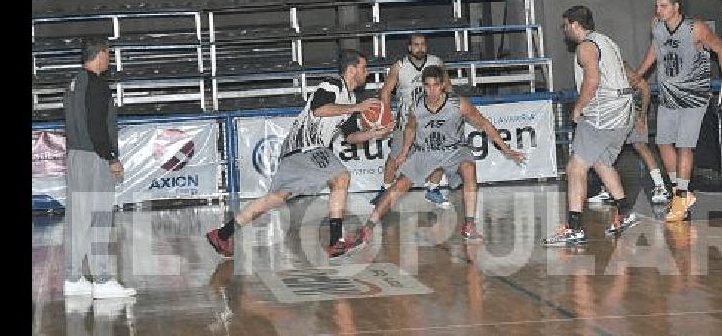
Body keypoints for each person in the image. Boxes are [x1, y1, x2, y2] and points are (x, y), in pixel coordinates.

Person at [206, 50, 395, 259]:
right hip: (309, 146)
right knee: (342, 177)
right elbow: (319, 110)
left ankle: (222, 234)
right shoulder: (332, 85)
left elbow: (350, 137)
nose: (366, 73)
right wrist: (358, 107)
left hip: (294, 152)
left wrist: (375, 133)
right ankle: (335, 241)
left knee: (275, 199)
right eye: (364, 68)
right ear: (351, 70)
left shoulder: (349, 100)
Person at [347, 65, 525, 249]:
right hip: (427, 151)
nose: (431, 90)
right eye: (427, 86)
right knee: (400, 185)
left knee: (469, 169)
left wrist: (506, 149)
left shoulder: (458, 103)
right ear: (423, 86)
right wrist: (404, 153)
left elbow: (485, 125)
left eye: (436, 85)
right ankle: (368, 228)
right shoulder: (416, 105)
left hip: (455, 150)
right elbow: (410, 128)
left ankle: (469, 225)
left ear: (442, 86)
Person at [632, 0, 722, 222]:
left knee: (684, 146)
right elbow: (655, 49)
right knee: (663, 143)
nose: (658, 10)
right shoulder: (657, 26)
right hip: (669, 94)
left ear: (676, 7)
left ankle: (680, 196)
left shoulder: (695, 28)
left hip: (694, 96)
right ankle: (683, 192)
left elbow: (720, 50)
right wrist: (639, 73)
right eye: (657, 6)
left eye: (663, 6)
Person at [544, 6, 639, 247]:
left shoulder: (585, 47)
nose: (564, 30)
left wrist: (578, 107)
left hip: (602, 113)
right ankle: (625, 212)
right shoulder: (607, 41)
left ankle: (573, 228)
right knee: (600, 162)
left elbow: (593, 81)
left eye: (565, 25)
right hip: (623, 110)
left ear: (575, 24)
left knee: (575, 168)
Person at [62, 37, 137, 298]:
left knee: (78, 218)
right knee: (99, 217)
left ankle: (72, 278)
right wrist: (112, 158)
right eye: (108, 54)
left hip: (75, 155)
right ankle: (102, 280)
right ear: (100, 54)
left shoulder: (73, 83)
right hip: (94, 157)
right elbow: (97, 127)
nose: (110, 59)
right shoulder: (96, 85)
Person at [370, 33, 452, 208]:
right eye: (416, 45)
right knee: (395, 158)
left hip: (431, 120)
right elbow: (385, 92)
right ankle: (385, 189)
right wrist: (386, 115)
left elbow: (448, 88)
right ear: (409, 47)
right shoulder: (399, 67)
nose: (420, 48)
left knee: (439, 156)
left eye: (423, 44)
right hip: (406, 120)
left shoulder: (436, 63)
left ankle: (433, 189)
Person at [586, 61, 672, 205]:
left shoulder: (620, 65)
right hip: (613, 116)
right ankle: (608, 188)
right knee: (605, 152)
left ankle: (660, 186)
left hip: (631, 114)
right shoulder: (595, 67)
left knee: (641, 147)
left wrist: (642, 116)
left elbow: (644, 88)